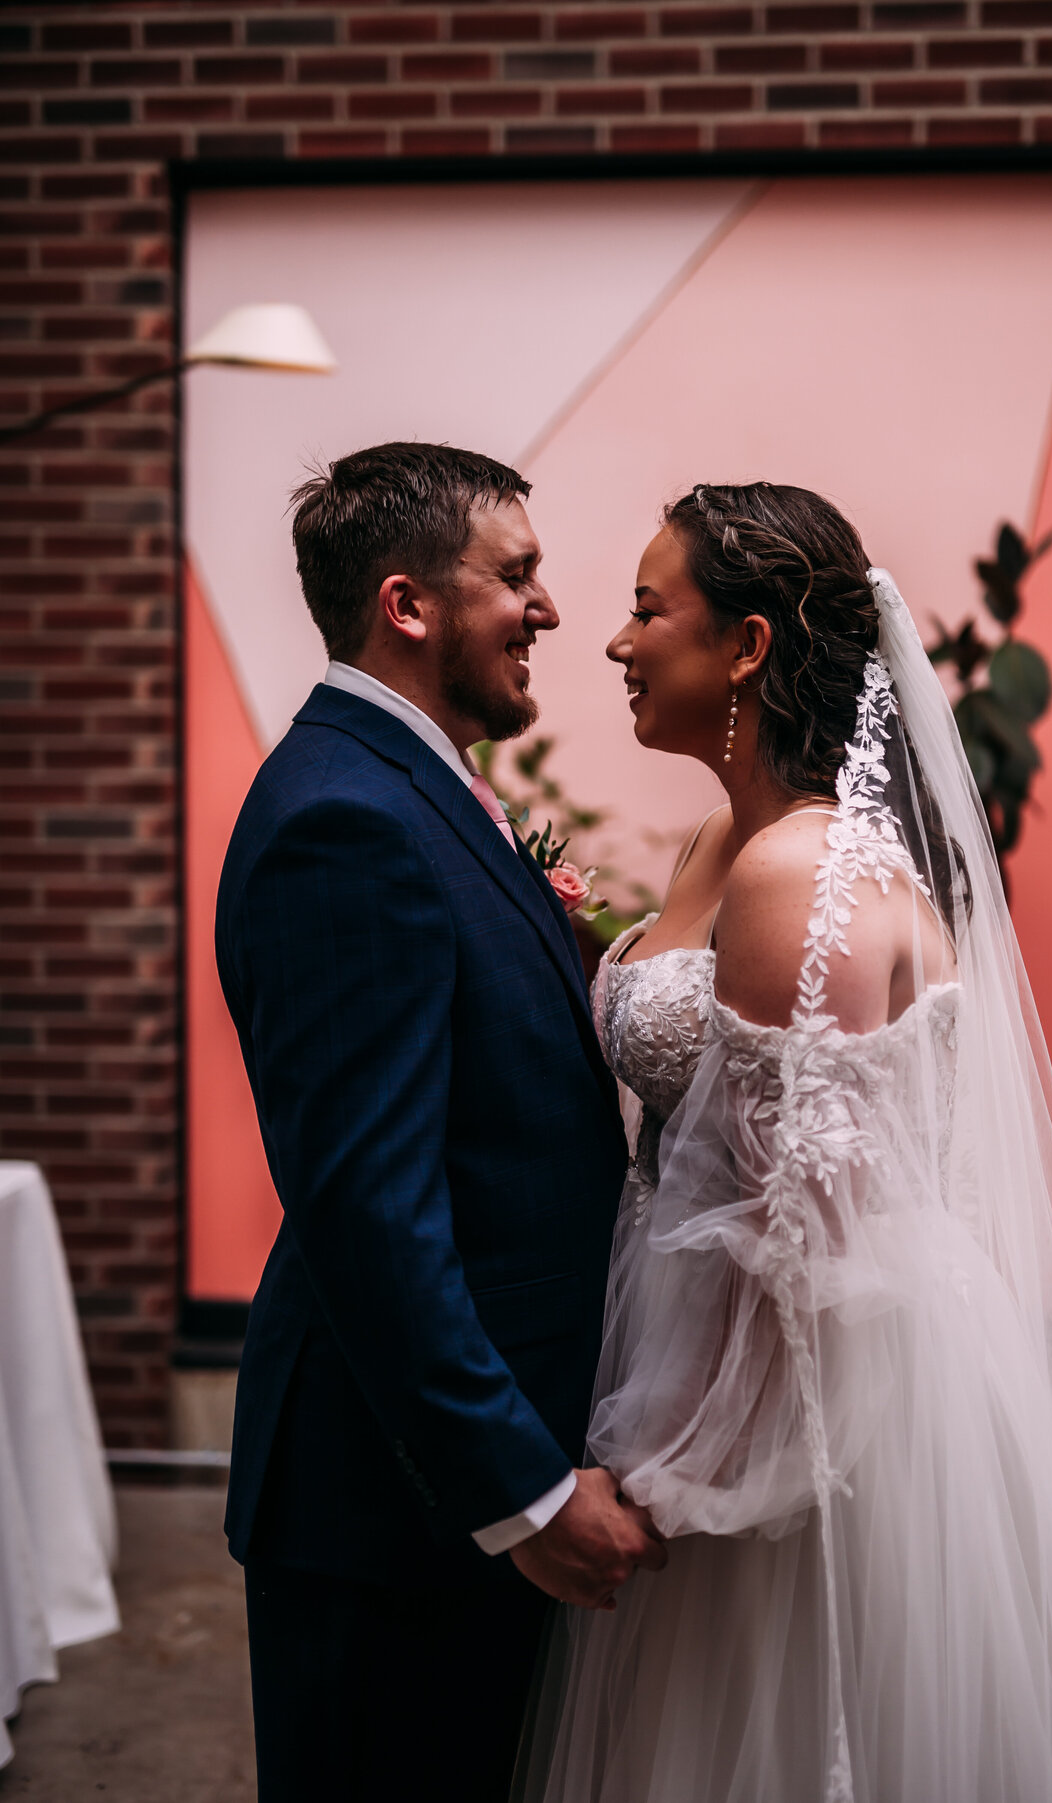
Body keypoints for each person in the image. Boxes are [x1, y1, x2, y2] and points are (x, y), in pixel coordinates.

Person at [514, 483, 1052, 1803]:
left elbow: (794, 1244)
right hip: (714, 1373)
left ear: (750, 649)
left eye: (650, 610)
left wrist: (666, 1479)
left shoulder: (795, 880)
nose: (616, 641)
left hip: (800, 1436)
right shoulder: (730, 842)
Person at [215, 442, 665, 1803]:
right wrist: (519, 1493)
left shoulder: (416, 784)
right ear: (409, 605)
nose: (549, 610)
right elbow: (371, 1208)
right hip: (396, 1508)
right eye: (515, 576)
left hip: (436, 1489)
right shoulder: (345, 820)